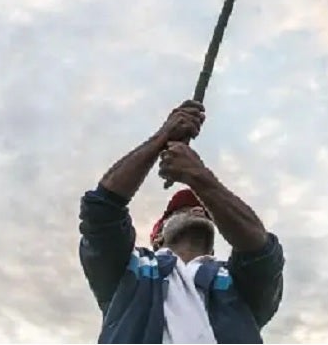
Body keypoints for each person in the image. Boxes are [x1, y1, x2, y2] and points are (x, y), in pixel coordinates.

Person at [78, 100, 285, 344]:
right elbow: (102, 210)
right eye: (181, 210)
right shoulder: (127, 271)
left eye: (205, 210)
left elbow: (262, 252)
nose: (197, 209)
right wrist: (163, 136)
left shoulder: (237, 283)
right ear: (157, 236)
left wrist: (198, 175)